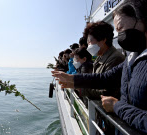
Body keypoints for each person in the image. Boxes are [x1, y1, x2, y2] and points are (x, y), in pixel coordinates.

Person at [52, 0, 147, 133]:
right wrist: (73, 80)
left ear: (142, 20)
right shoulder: (131, 58)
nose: (119, 35)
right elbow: (106, 77)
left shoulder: (118, 58)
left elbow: (108, 88)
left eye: (121, 27)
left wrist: (117, 106)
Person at [82, 21, 125, 100]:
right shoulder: (98, 57)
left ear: (103, 40)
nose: (88, 45)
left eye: (90, 41)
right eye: (87, 42)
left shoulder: (116, 59)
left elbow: (108, 92)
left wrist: (81, 89)